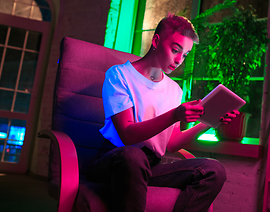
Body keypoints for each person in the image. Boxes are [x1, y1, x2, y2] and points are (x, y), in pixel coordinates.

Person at [86, 14, 238, 212]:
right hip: (116, 160)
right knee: (133, 156)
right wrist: (175, 115)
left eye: (185, 55)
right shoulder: (119, 75)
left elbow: (171, 143)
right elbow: (127, 135)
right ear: (156, 41)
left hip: (150, 167)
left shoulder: (174, 90)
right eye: (175, 50)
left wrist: (208, 122)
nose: (179, 60)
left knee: (213, 170)